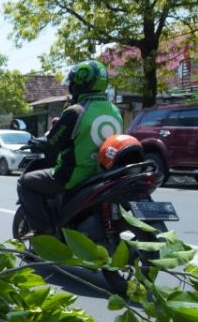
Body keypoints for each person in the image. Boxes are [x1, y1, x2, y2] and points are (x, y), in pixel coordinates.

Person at [17, 59, 122, 237]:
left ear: (78, 86)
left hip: (74, 176)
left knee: (25, 182)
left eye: (72, 83)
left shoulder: (76, 111)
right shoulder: (114, 110)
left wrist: (41, 142)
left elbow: (54, 142)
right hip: (103, 174)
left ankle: (44, 231)